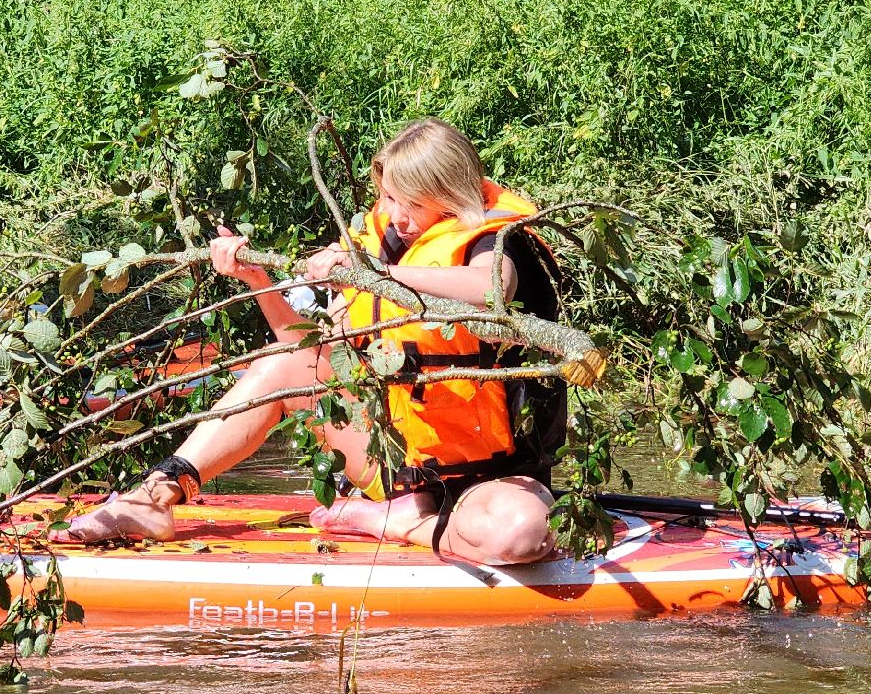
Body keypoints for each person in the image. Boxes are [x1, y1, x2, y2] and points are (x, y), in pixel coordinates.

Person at [61, 118, 567, 566]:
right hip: (396, 460)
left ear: (452, 196)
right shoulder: (380, 240)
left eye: (410, 203)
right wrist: (258, 281)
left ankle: (394, 523)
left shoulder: (496, 242)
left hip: (491, 478)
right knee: (288, 362)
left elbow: (491, 288)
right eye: (388, 197)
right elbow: (302, 351)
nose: (394, 216)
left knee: (518, 535)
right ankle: (153, 498)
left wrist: (380, 275)